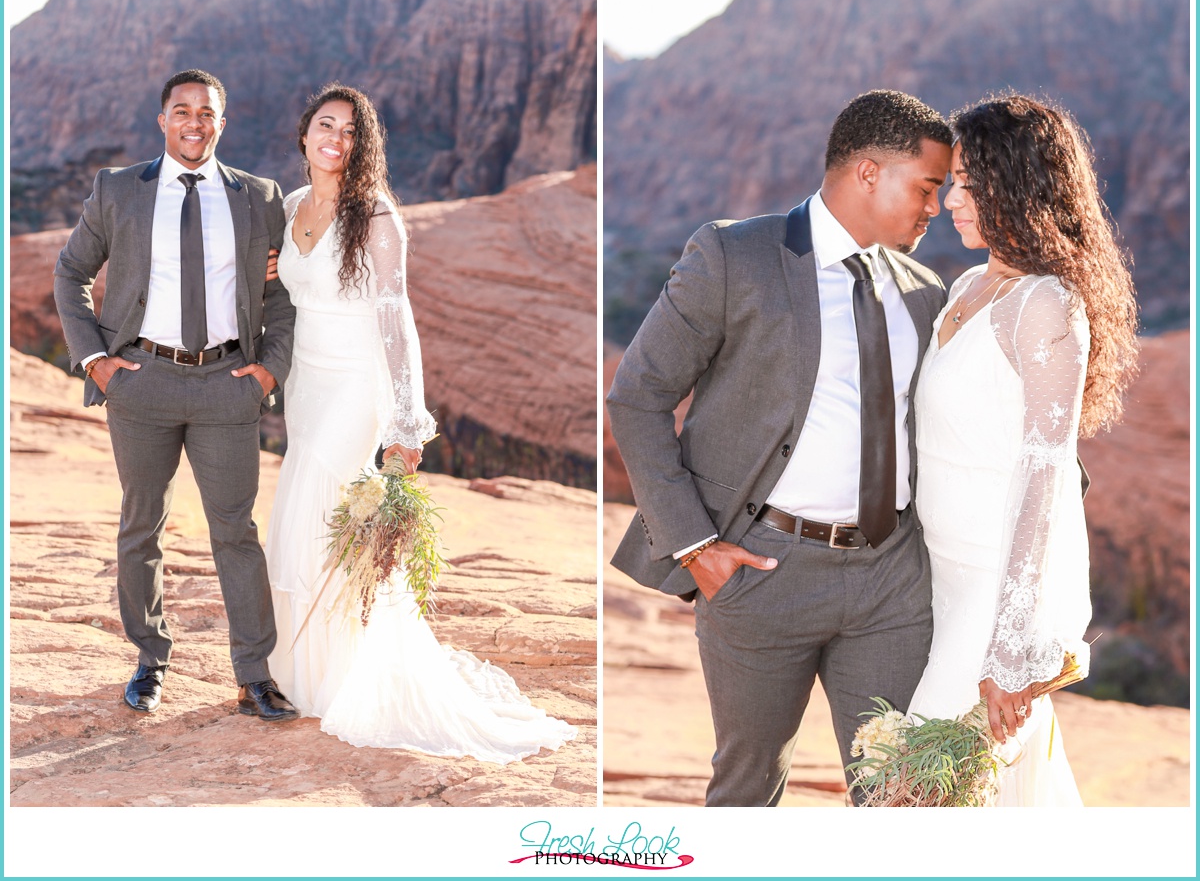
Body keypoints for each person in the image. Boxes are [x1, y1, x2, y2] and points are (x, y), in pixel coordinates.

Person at [607, 89, 953, 805]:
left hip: (892, 579)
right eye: (926, 187)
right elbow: (637, 396)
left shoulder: (923, 291)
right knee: (747, 792)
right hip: (762, 571)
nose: (935, 209)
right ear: (867, 172)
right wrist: (697, 547)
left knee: (900, 793)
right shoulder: (736, 255)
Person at [263, 83, 575, 762]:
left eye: (350, 131)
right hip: (305, 382)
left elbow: (394, 318)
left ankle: (340, 681)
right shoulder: (288, 208)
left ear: (361, 145)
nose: (335, 140)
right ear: (304, 133)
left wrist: (407, 420)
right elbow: (283, 285)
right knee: (305, 519)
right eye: (325, 125)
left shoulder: (374, 215)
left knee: (315, 503)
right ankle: (297, 673)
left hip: (354, 384)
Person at [907, 93, 1138, 804]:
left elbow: (1044, 476)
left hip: (992, 587)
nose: (952, 200)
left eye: (971, 183)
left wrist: (1010, 644)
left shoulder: (1045, 305)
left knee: (924, 791)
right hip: (936, 580)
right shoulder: (968, 286)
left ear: (1019, 183)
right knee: (971, 802)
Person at [53, 69, 300, 721]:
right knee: (142, 526)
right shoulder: (118, 190)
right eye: (182, 111)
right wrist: (96, 361)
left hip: (227, 386)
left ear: (223, 120)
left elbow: (280, 298)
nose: (195, 123)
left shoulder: (258, 196)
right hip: (141, 382)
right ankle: (150, 660)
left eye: (207, 112)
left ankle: (253, 675)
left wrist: (270, 370)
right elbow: (72, 270)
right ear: (163, 119)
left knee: (236, 534)